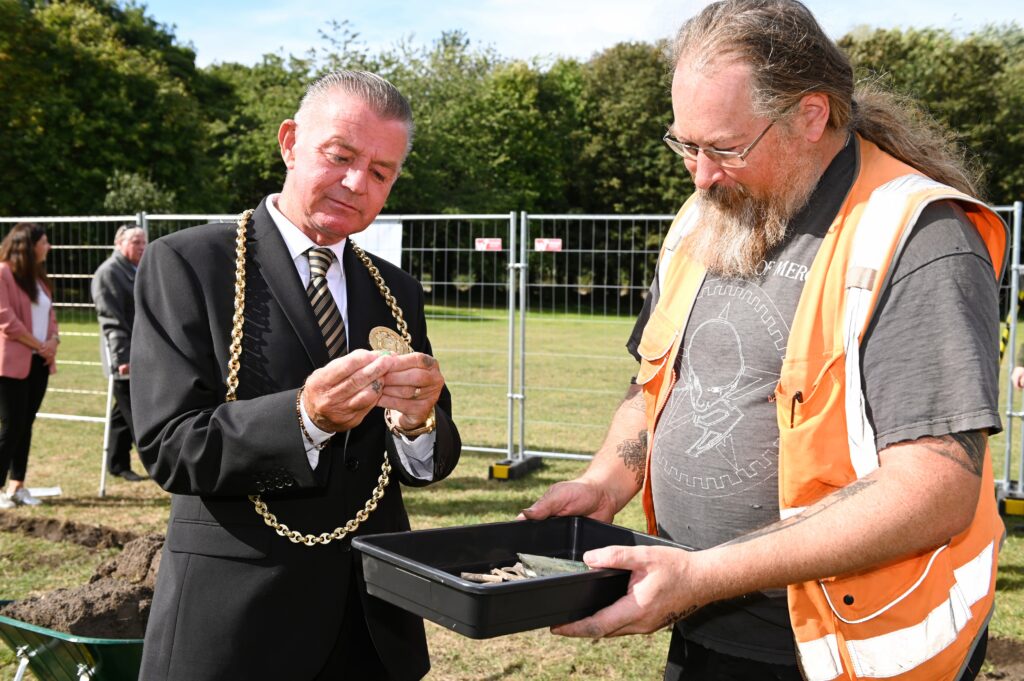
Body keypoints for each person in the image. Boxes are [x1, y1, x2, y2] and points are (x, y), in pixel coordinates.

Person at [521, 2, 1006, 680]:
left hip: (844, 648)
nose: (700, 175)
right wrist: (606, 480)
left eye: (724, 147)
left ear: (811, 115)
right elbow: (657, 384)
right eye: (685, 144)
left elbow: (934, 486)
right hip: (702, 618)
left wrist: (705, 572)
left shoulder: (918, 237)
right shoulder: (705, 218)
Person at [132, 70, 461, 681]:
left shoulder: (397, 291)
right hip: (238, 623)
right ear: (289, 142)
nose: (357, 182)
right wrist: (304, 418)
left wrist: (417, 424)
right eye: (340, 156)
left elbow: (430, 459)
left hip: (371, 628)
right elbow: (170, 448)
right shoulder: (188, 264)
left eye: (382, 172)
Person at [0, 223, 59, 509]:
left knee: (26, 425)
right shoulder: (3, 274)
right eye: (44, 242)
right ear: (28, 245)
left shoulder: (38, 278)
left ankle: (17, 487)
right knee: (11, 427)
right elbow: (6, 320)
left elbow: (51, 317)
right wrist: (39, 345)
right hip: (12, 364)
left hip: (39, 363)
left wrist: (53, 341)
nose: (48, 247)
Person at [91, 225, 147, 482]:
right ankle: (157, 464)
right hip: (123, 356)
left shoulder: (135, 269)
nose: (142, 246)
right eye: (136, 241)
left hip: (138, 351)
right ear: (119, 243)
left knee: (121, 413)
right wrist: (122, 359)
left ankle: (117, 463)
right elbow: (111, 320)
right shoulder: (109, 272)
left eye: (144, 241)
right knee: (136, 410)